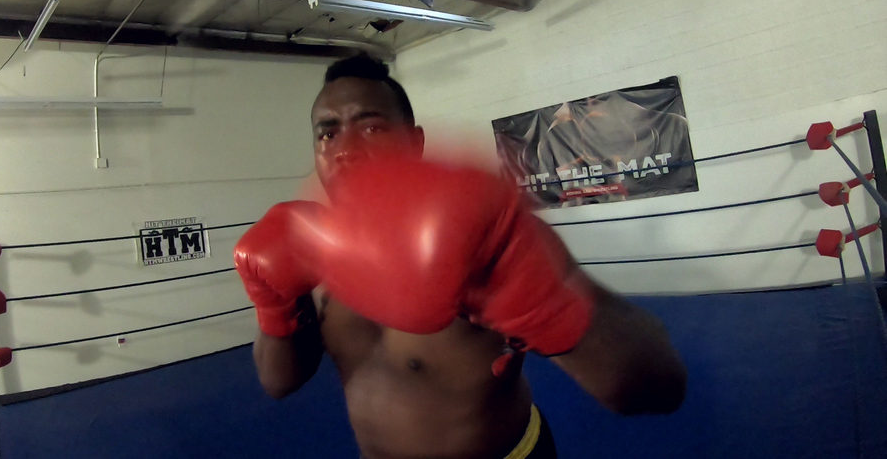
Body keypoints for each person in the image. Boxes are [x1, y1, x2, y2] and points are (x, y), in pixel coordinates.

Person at [234, 54, 687, 459]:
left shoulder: (477, 231)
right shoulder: (311, 244)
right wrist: (276, 306)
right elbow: (279, 381)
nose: (347, 150)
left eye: (372, 127)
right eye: (328, 133)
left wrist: (536, 299)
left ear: (414, 142)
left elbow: (658, 385)